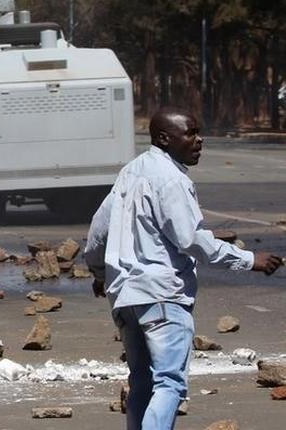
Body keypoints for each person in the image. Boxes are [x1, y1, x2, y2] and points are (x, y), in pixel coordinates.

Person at [84, 107, 283, 430]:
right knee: (170, 384)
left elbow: (97, 233)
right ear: (164, 138)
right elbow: (191, 239)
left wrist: (100, 274)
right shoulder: (171, 179)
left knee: (142, 383)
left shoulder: (130, 172)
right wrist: (250, 261)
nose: (199, 140)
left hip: (124, 296)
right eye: (190, 133)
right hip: (163, 295)